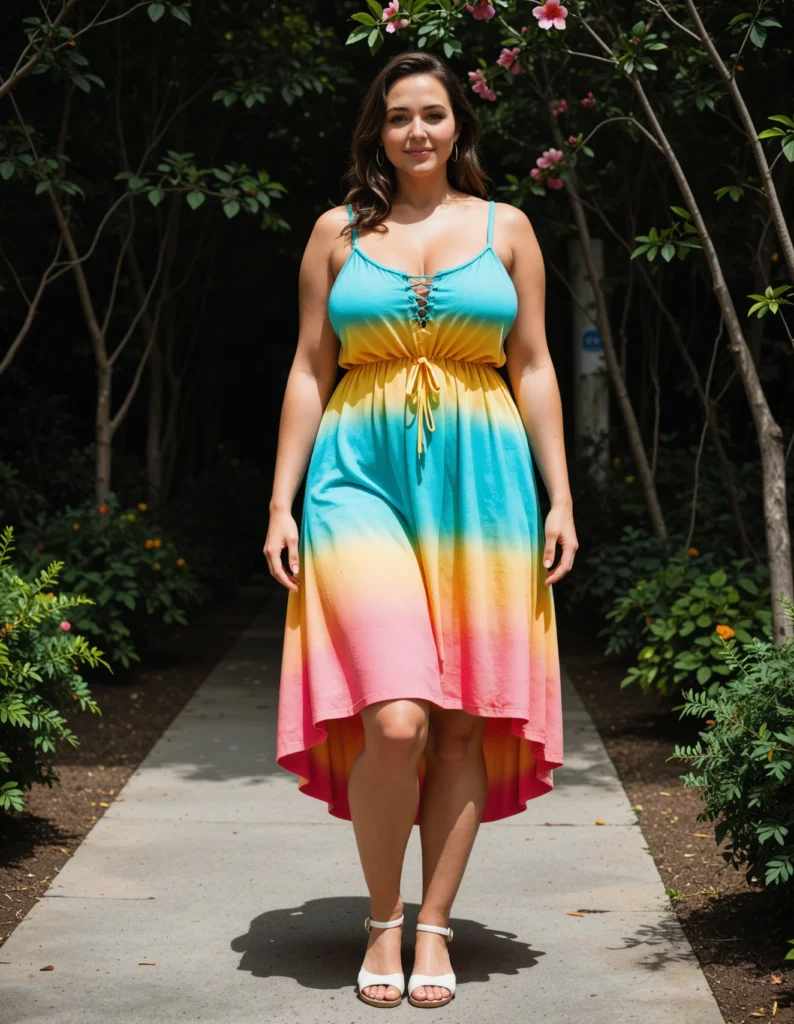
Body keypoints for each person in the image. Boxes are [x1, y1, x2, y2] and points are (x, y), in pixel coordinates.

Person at [264, 49, 577, 1010]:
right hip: (357, 477)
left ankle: (433, 926)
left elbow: (531, 366)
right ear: (378, 133)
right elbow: (312, 368)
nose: (417, 132)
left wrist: (561, 496)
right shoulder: (334, 233)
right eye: (399, 117)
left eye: (433, 114)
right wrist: (279, 500)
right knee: (393, 719)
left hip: (481, 485)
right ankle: (382, 916)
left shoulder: (509, 228)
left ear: (459, 126)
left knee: (461, 723)